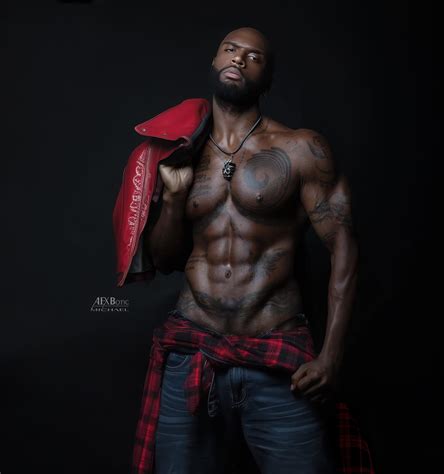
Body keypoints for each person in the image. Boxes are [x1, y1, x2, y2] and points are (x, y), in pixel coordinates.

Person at [144, 26, 358, 474]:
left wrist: (332, 357)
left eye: (254, 56)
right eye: (230, 49)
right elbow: (164, 261)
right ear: (214, 61)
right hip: (193, 351)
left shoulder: (301, 149)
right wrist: (176, 199)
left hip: (275, 357)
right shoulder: (178, 152)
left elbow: (343, 248)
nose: (239, 59)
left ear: (268, 79)